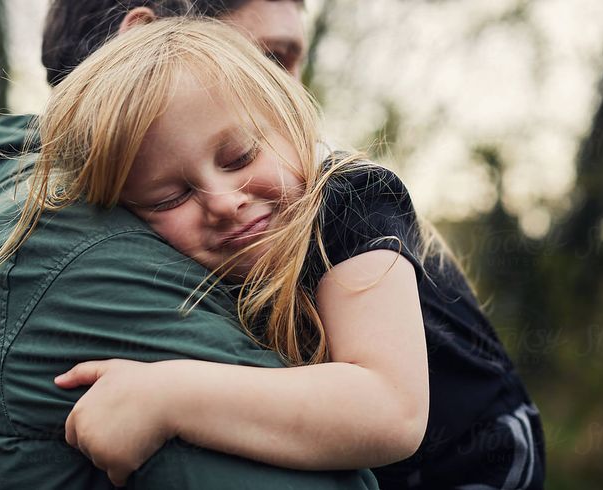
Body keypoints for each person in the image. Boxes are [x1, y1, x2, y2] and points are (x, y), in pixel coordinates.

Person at [33, 19, 546, 490]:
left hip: (479, 464)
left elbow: (391, 410)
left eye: (239, 157)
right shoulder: (188, 262)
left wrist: (169, 396)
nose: (224, 202)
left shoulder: (350, 201)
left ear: (291, 125)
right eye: (169, 199)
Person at [0, 1, 382, 489]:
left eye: (240, 155)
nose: (295, 97)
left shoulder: (347, 222)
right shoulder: (74, 239)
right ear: (139, 37)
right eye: (269, 60)